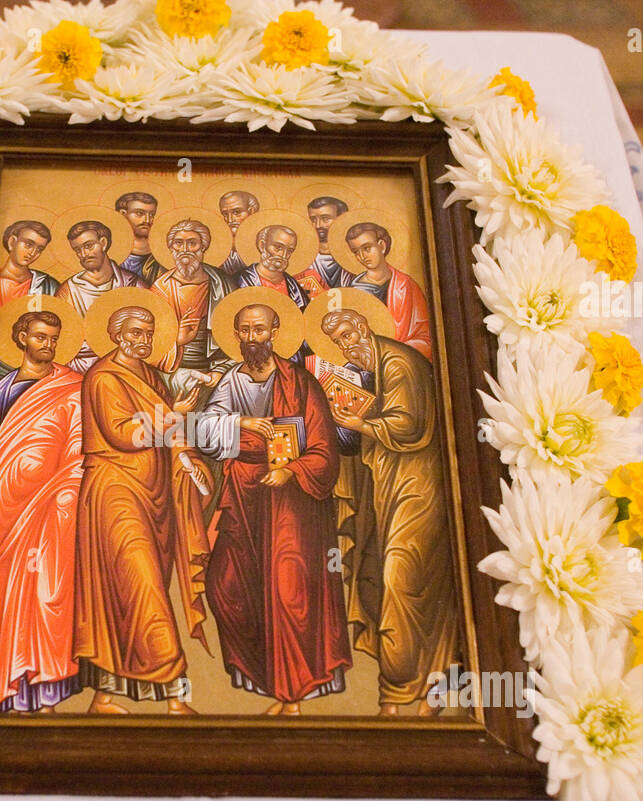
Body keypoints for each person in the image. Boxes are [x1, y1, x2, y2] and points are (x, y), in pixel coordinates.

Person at [195, 303, 351, 714]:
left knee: (288, 592)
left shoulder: (300, 383)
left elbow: (323, 450)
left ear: (275, 331)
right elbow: (204, 432)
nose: (251, 338)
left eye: (259, 330)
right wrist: (243, 426)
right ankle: (261, 674)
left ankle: (293, 694)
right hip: (243, 497)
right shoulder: (231, 380)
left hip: (291, 505)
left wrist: (292, 471)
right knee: (226, 586)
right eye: (244, 331)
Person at [74, 305, 212, 715]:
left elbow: (172, 433)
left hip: (156, 496)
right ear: (117, 334)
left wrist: (188, 458)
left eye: (149, 332)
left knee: (132, 594)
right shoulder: (102, 377)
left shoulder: (152, 376)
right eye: (135, 331)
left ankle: (104, 697)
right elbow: (125, 434)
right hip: (115, 491)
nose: (143, 339)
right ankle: (174, 694)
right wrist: (176, 415)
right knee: (141, 588)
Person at [320, 308, 457, 716]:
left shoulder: (399, 363)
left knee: (403, 575)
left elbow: (409, 426)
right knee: (380, 576)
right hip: (388, 486)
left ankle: (402, 690)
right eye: (339, 341)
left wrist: (360, 423)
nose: (346, 345)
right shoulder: (368, 370)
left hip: (418, 488)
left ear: (364, 327)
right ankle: (411, 688)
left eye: (348, 335)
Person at [0, 310, 83, 714]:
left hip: (49, 511)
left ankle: (47, 694)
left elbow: (80, 445)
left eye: (53, 338)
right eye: (40, 336)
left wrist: (63, 492)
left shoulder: (71, 387)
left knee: (48, 599)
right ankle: (10, 694)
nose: (48, 344)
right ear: (21, 337)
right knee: (5, 607)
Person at [0, 220, 61, 407]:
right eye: (28, 244)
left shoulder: (47, 285)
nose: (32, 253)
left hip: (31, 366)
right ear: (12, 242)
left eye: (39, 249)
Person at [57, 219, 148, 372]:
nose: (84, 254)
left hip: (125, 365)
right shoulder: (68, 291)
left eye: (88, 246)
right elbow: (62, 339)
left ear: (103, 243)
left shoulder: (132, 284)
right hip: (79, 368)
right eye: (78, 250)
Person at [150, 218, 234, 373]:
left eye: (192, 243)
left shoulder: (223, 284)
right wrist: (178, 341)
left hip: (216, 367)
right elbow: (151, 340)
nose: (185, 249)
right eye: (178, 243)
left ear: (203, 247)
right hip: (173, 368)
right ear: (171, 248)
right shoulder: (160, 288)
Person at [344, 222, 432, 360]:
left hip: (403, 358)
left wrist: (394, 352)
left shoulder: (405, 285)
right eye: (356, 252)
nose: (362, 256)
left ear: (382, 246)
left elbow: (426, 334)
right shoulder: (354, 291)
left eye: (367, 248)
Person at [233, 224, 310, 310]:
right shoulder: (240, 281)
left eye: (289, 251)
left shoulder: (293, 286)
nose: (283, 255)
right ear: (262, 245)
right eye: (278, 247)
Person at [294, 196, 349, 298]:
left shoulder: (355, 259)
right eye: (313, 219)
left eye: (325, 219)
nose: (318, 225)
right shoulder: (301, 261)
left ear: (342, 220)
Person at [115, 191, 165, 284]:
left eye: (151, 214)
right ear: (122, 214)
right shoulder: (111, 252)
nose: (147, 220)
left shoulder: (161, 256)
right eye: (139, 213)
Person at [217, 190, 259, 275]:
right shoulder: (220, 247)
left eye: (237, 212)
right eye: (225, 214)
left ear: (251, 211)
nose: (230, 219)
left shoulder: (262, 244)